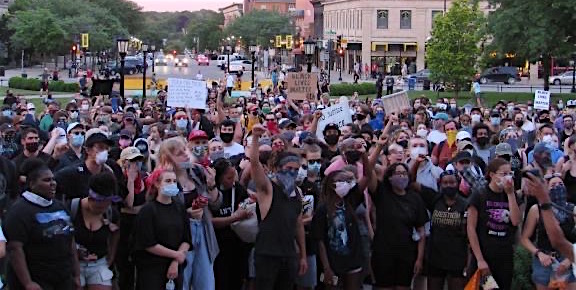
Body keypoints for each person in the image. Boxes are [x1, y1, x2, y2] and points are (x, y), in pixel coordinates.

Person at [4, 159, 80, 290]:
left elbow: (70, 242)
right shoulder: (19, 211)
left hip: (64, 278)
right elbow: (15, 249)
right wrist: (28, 282)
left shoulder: (60, 206)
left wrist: (77, 274)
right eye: (46, 180)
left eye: (53, 179)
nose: (53, 184)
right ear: (32, 184)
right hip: (37, 280)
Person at [249, 124, 308, 290]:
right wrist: (255, 138)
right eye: (288, 169)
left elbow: (298, 224)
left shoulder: (296, 193)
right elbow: (254, 163)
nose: (292, 173)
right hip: (268, 255)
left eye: (295, 170)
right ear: (277, 168)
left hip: (288, 255)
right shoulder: (268, 188)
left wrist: (302, 255)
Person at [367, 163, 428, 290]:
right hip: (383, 253)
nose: (402, 176)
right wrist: (378, 147)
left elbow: (421, 231)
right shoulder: (382, 193)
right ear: (389, 177)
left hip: (406, 254)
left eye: (404, 173)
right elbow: (368, 171)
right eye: (398, 173)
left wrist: (419, 259)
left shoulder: (415, 199)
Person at [132, 168, 191, 290]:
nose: (172, 184)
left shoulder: (179, 208)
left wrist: (176, 261)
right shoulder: (148, 211)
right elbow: (148, 243)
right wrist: (176, 255)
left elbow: (186, 238)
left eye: (174, 181)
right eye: (168, 181)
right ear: (157, 184)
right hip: (153, 268)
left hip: (175, 266)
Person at [467, 158, 521, 289]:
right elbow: (471, 228)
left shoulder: (511, 195)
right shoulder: (480, 194)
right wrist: (479, 259)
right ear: (492, 175)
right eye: (503, 174)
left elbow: (515, 221)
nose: (507, 177)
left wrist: (510, 194)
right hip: (484, 254)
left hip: (504, 256)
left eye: (510, 173)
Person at [313, 169, 367, 290]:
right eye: (342, 180)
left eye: (349, 181)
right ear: (332, 185)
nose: (347, 184)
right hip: (332, 262)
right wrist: (326, 267)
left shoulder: (350, 202)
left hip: (353, 260)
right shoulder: (322, 209)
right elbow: (320, 240)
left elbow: (367, 176)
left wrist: (366, 154)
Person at [520, 175, 576, 289]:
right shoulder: (536, 210)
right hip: (544, 261)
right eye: (553, 185)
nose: (557, 187)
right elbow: (524, 238)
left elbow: (561, 242)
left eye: (560, 184)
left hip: (568, 260)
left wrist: (570, 259)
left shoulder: (572, 210)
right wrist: (538, 253)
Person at [72, 172, 121, 290]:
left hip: (99, 263)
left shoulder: (111, 213)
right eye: (98, 208)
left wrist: (110, 258)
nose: (101, 211)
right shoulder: (72, 208)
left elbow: (116, 234)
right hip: (74, 263)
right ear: (90, 199)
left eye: (106, 207)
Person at [211, 158, 252, 290]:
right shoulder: (212, 194)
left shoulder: (238, 189)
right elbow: (213, 222)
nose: (233, 180)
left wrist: (247, 205)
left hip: (238, 245)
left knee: (237, 281)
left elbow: (246, 202)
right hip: (218, 249)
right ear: (219, 178)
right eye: (229, 178)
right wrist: (234, 217)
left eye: (234, 176)